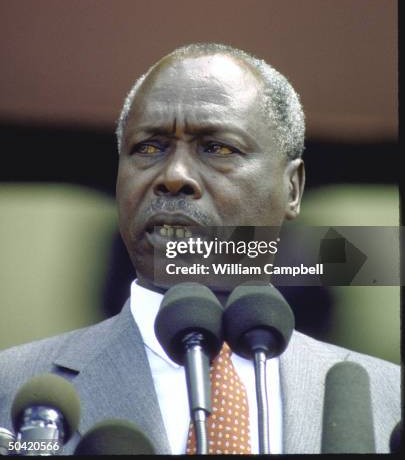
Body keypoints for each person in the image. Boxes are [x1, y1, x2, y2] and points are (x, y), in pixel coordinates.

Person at [0, 43, 400, 454]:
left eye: (217, 148)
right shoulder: (10, 389)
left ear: (292, 189)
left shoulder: (391, 402)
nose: (173, 176)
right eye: (148, 148)